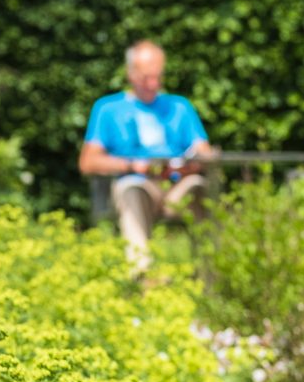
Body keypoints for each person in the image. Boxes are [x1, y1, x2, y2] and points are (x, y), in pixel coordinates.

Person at [79, 40, 213, 272]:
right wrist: (131, 165)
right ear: (130, 74)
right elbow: (87, 162)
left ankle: (209, 272)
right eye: (146, 78)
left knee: (199, 186)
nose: (153, 84)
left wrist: (189, 165)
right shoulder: (108, 109)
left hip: (176, 187)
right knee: (130, 188)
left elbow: (205, 153)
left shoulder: (180, 107)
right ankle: (142, 275)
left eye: (158, 77)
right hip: (139, 186)